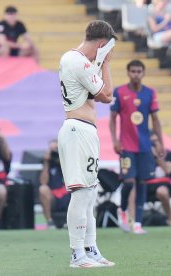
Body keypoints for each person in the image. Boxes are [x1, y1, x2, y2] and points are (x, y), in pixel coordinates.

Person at [58, 20, 117, 268]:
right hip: (77, 130)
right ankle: (76, 253)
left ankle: (90, 249)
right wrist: (105, 62)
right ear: (102, 44)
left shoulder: (78, 62)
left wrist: (100, 60)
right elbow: (107, 96)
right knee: (81, 194)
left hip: (84, 130)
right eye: (109, 48)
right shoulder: (79, 61)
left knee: (90, 193)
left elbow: (97, 95)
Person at [109, 59, 164, 235]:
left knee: (142, 183)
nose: (136, 74)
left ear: (143, 73)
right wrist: (115, 141)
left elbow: (155, 120)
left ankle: (138, 222)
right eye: (133, 71)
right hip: (126, 146)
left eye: (139, 71)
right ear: (128, 72)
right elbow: (112, 119)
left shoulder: (150, 93)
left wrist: (160, 142)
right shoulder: (120, 92)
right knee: (128, 182)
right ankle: (123, 209)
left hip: (145, 147)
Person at [146, 132, 171, 226]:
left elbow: (168, 170)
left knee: (162, 192)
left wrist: (157, 156)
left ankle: (170, 218)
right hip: (146, 185)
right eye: (152, 142)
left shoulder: (168, 154)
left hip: (162, 184)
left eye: (157, 141)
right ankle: (134, 221)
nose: (155, 144)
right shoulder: (144, 155)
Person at [39, 140, 70, 229]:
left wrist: (62, 159)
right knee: (43, 189)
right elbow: (43, 182)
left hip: (67, 193)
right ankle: (50, 221)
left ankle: (71, 221)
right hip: (53, 196)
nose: (55, 152)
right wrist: (46, 162)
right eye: (52, 150)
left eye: (56, 149)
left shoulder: (68, 160)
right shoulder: (48, 164)